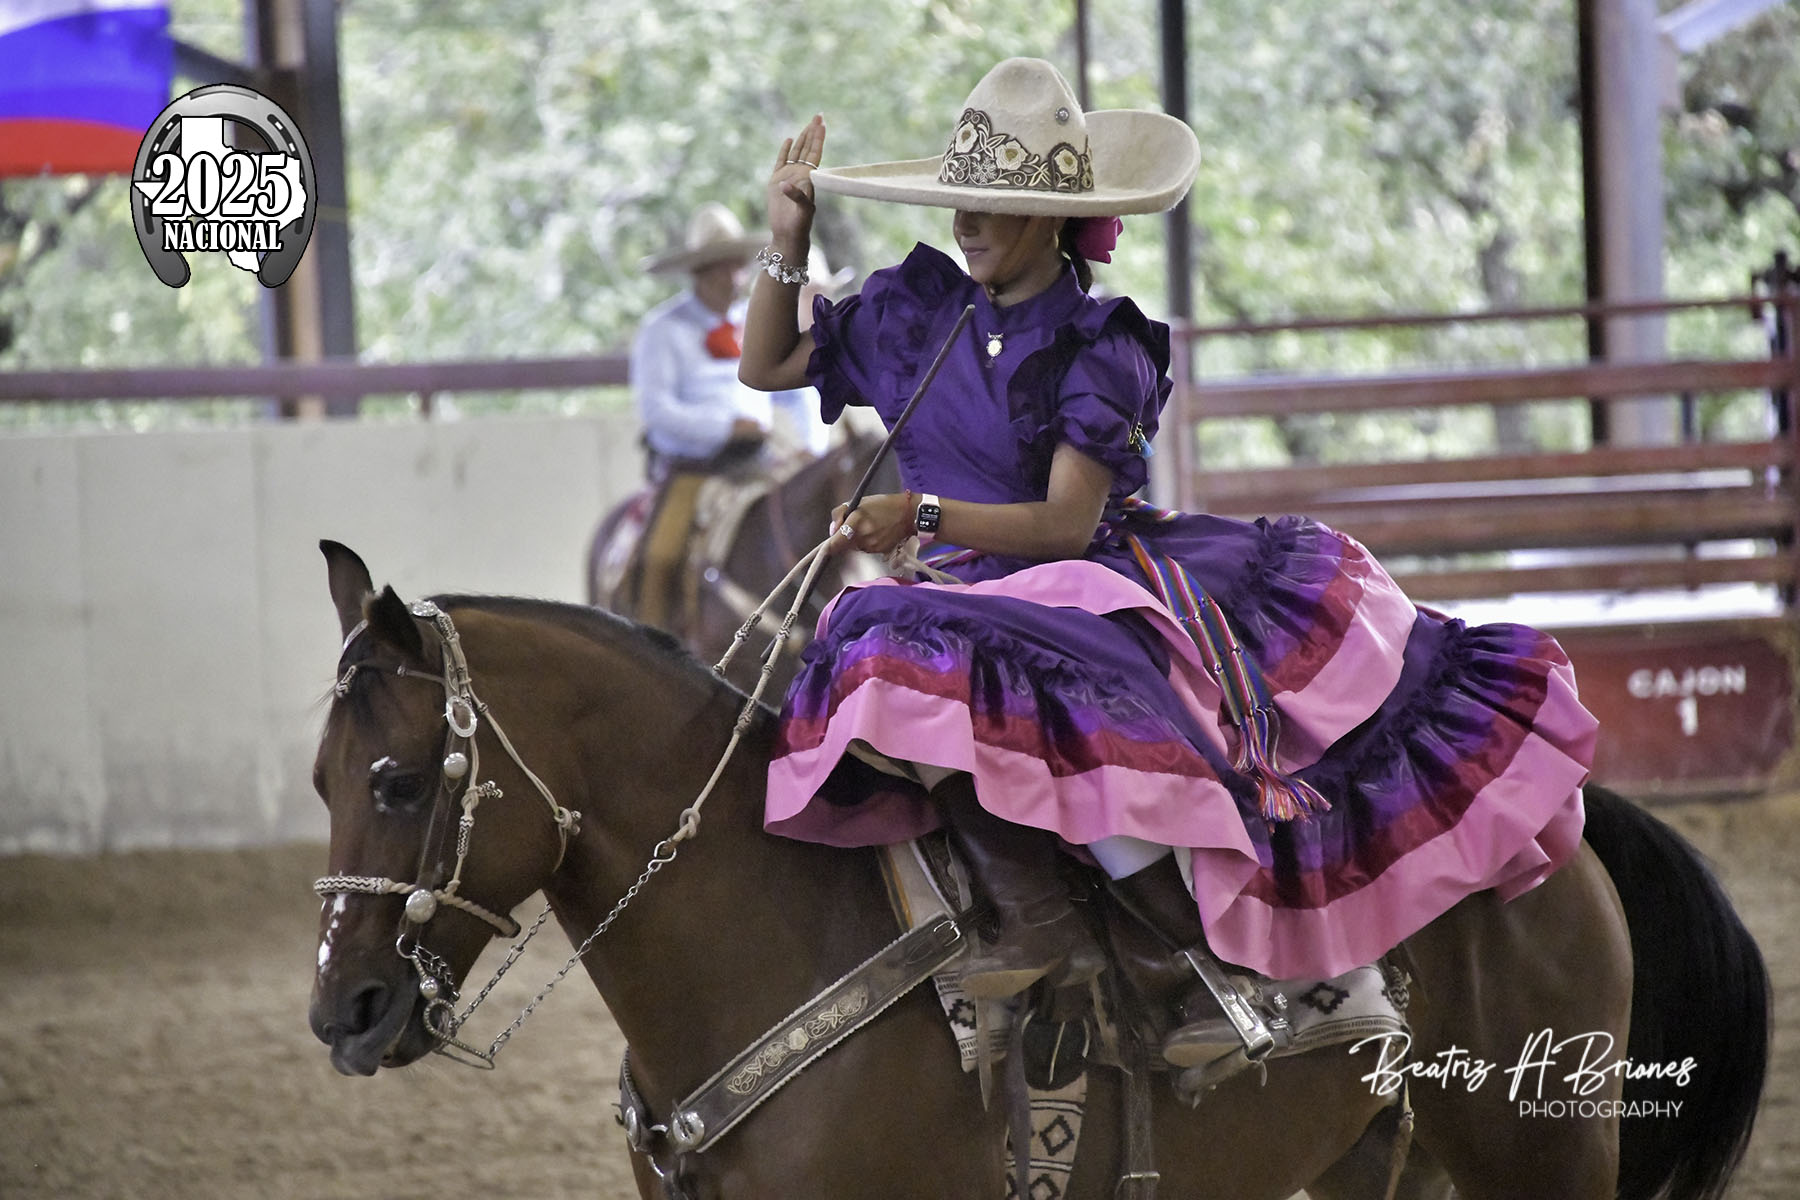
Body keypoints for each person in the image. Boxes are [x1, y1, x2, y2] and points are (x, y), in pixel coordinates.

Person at [738, 58, 1596, 1064]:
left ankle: (1178, 955)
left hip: (1076, 576)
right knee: (872, 635)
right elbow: (766, 365)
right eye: (957, 201)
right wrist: (787, 236)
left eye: (991, 204)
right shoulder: (911, 311)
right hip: (956, 583)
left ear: (1054, 219)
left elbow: (1065, 526)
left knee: (889, 635)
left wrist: (919, 512)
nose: (965, 222)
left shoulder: (1102, 345)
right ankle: (1013, 913)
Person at [630, 202, 830, 628]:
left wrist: (813, 447)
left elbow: (797, 391)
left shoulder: (755, 321)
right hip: (692, 470)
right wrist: (725, 428)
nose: (735, 277)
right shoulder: (662, 330)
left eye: (737, 266)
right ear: (699, 273)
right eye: (722, 267)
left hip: (760, 464)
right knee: (660, 554)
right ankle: (648, 635)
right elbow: (657, 411)